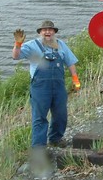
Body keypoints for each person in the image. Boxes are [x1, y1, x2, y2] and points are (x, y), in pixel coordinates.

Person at [12, 20, 80, 149]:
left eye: (50, 30)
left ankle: (56, 139)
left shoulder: (61, 45)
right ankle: (39, 146)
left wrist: (75, 79)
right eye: (45, 30)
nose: (47, 32)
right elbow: (16, 56)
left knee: (60, 114)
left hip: (59, 87)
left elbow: (70, 62)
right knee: (40, 117)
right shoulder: (32, 45)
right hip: (40, 88)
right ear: (40, 32)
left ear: (54, 32)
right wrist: (18, 44)